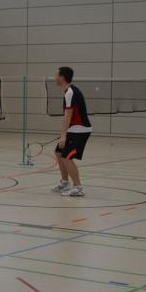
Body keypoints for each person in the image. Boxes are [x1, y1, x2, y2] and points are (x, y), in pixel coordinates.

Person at [52, 66, 91, 197]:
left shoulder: (70, 92)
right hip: (74, 129)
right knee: (59, 152)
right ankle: (65, 182)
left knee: (67, 157)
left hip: (81, 130)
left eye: (56, 75)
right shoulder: (68, 91)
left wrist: (63, 136)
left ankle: (78, 187)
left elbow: (67, 116)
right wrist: (65, 134)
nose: (54, 77)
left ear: (62, 77)